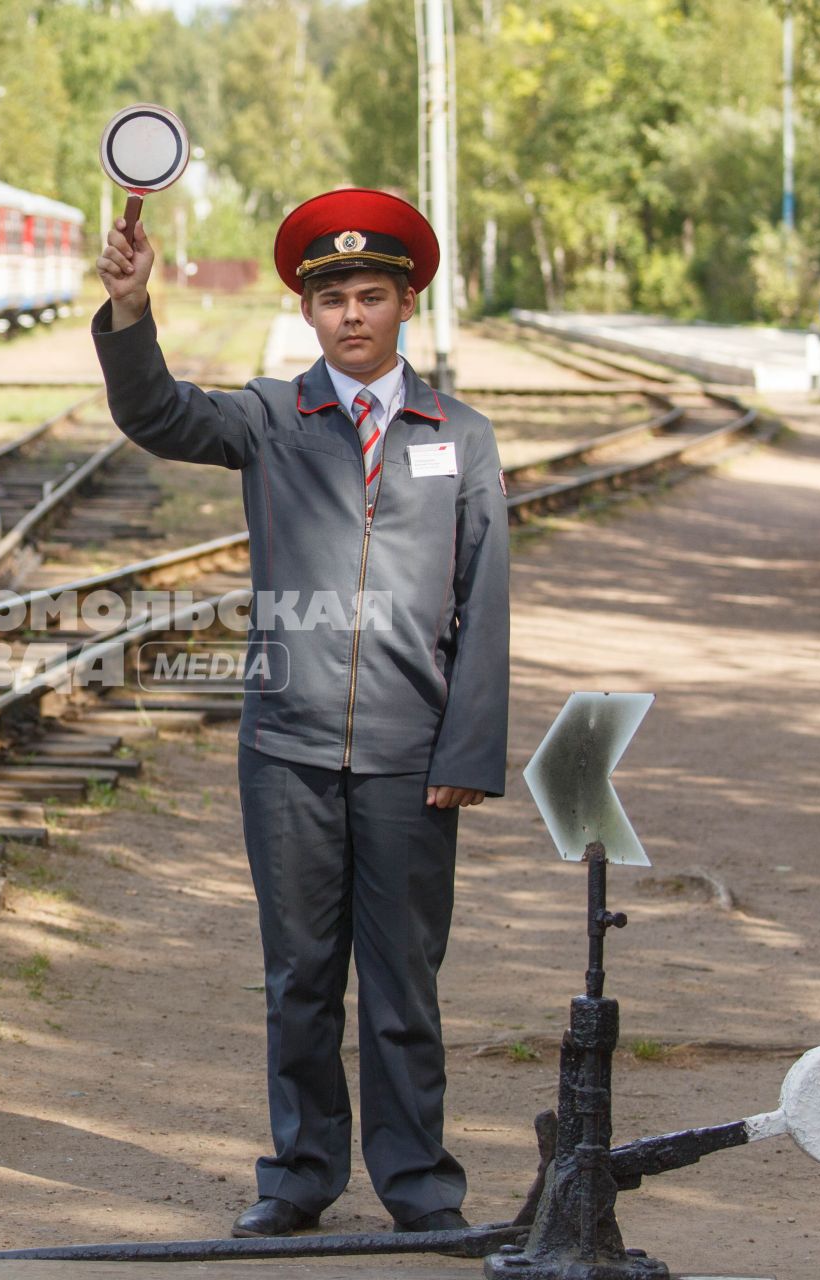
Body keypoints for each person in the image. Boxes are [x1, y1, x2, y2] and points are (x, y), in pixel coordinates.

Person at [92, 188, 509, 1241]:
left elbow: (485, 598)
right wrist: (134, 310)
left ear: (406, 302)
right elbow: (156, 413)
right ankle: (300, 1173)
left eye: (373, 294)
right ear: (310, 312)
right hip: (286, 752)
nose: (353, 315)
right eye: (334, 299)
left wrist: (468, 748)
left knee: (406, 982)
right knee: (301, 976)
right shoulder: (273, 419)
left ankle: (422, 1185)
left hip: (413, 759)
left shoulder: (460, 436)